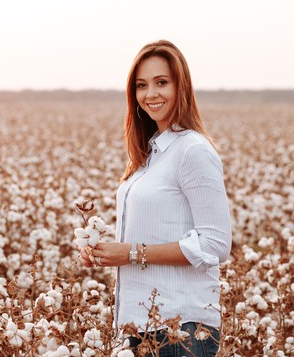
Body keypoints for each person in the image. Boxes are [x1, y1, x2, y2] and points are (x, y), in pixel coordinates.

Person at [79, 40, 232, 356]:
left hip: (181, 330)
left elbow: (216, 244)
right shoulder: (150, 155)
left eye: (162, 82)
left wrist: (131, 253)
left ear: (181, 86)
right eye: (141, 85)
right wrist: (106, 254)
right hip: (139, 327)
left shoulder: (193, 150)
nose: (151, 94)